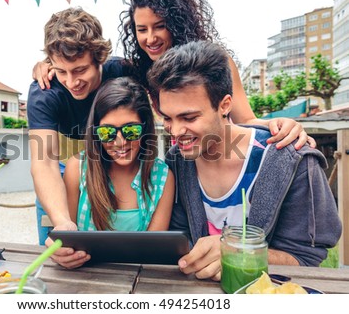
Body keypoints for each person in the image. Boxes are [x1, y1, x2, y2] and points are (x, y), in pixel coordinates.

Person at [146, 40, 342, 281]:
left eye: (189, 117)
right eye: (168, 118)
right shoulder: (178, 160)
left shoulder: (292, 159)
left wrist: (237, 251)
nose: (175, 132)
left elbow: (307, 258)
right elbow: (181, 237)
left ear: (225, 105)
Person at [33, 0, 314, 150]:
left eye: (159, 26)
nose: (150, 38)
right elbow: (81, 60)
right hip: (179, 159)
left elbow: (246, 119)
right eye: (141, 29)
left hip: (219, 154)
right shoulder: (140, 67)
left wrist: (283, 125)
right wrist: (47, 65)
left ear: (177, 23)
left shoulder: (214, 62)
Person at [27, 7, 132, 245]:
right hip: (61, 169)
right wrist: (62, 222)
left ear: (99, 58)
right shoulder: (44, 92)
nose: (72, 82)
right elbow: (44, 164)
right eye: (61, 71)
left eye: (80, 70)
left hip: (110, 165)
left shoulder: (122, 71)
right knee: (59, 251)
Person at [52, 77, 175, 269]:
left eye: (131, 130)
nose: (119, 142)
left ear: (145, 129)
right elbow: (68, 235)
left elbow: (153, 254)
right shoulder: (77, 168)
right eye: (107, 133)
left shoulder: (163, 177)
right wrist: (61, 251)